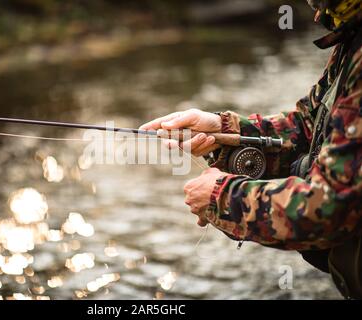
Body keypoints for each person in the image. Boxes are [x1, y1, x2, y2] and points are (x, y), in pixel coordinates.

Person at [140, 0, 362, 299]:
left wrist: (222, 196)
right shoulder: (352, 36)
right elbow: (309, 126)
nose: (313, 7)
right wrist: (224, 130)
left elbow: (333, 208)